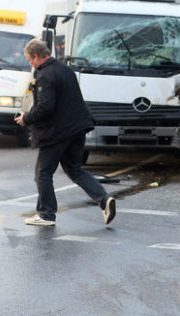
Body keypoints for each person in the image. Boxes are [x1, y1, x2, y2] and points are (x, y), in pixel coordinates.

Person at [15, 38, 116, 227]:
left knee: (43, 173)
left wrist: (26, 118)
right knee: (75, 170)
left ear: (36, 57)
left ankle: (46, 214)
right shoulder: (65, 70)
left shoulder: (46, 75)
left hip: (57, 132)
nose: (31, 64)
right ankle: (104, 200)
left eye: (30, 60)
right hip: (77, 129)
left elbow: (45, 107)